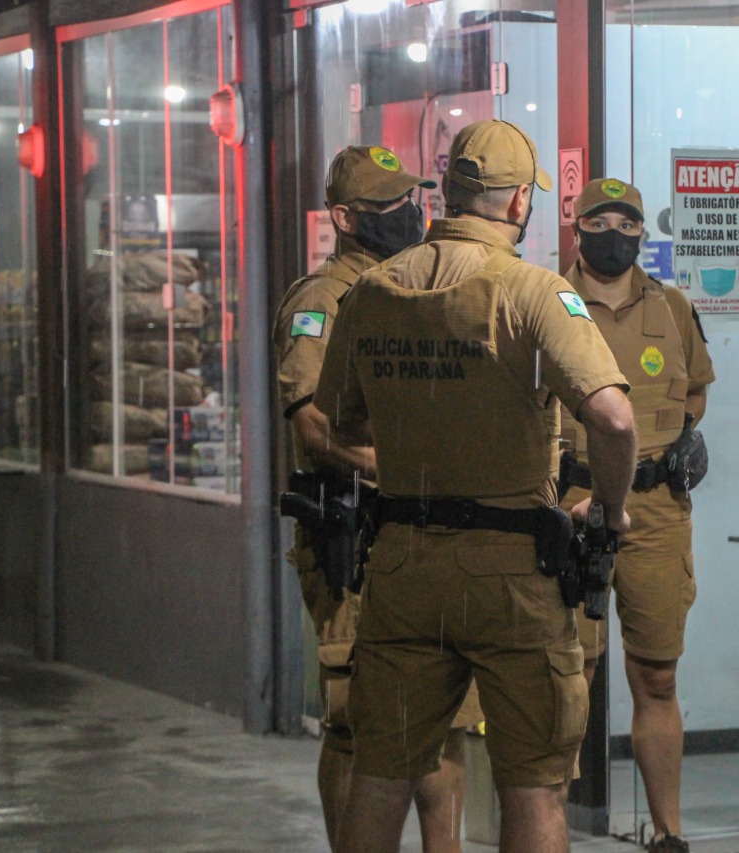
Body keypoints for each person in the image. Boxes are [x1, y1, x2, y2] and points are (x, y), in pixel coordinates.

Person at [317, 120, 638, 853]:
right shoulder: (531, 292)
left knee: (381, 774)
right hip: (512, 573)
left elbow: (336, 420)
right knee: (532, 784)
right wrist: (611, 512)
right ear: (520, 201)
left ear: (448, 191)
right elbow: (615, 420)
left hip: (400, 564)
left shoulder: (369, 293)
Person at [273, 145, 482, 853]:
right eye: (391, 207)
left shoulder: (412, 290)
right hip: (355, 533)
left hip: (426, 533)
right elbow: (312, 424)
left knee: (446, 712)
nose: (409, 214)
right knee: (357, 720)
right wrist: (406, 466)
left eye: (412, 200)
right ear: (345, 217)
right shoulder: (323, 301)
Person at [557, 178, 714, 853]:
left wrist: (679, 440)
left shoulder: (672, 305)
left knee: (658, 674)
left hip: (655, 509)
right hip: (570, 504)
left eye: (627, 222)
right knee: (569, 674)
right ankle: (546, 826)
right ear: (578, 228)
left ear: (642, 234)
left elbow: (696, 394)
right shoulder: (547, 300)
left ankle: (668, 832)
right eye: (602, 220)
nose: (614, 232)